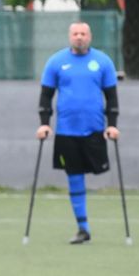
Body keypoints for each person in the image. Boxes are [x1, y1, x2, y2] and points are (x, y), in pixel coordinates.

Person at [36, 21, 120, 244]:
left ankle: (88, 226)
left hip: (94, 130)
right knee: (74, 177)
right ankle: (83, 228)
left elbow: (111, 97)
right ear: (69, 36)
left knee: (96, 175)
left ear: (90, 37)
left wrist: (112, 124)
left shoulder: (102, 62)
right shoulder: (56, 62)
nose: (79, 37)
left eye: (83, 33)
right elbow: (46, 96)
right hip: (66, 132)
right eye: (75, 34)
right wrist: (44, 123)